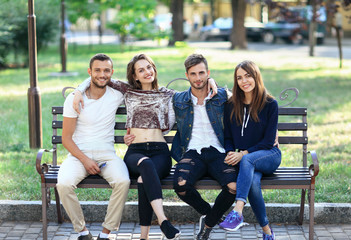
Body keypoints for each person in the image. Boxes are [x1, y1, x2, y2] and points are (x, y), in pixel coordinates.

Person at [73, 54, 217, 239]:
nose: (147, 72)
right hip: (136, 152)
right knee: (145, 165)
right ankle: (163, 220)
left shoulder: (168, 94)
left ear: (154, 69)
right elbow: (101, 77)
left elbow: (196, 87)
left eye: (149, 67)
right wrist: (78, 90)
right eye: (141, 70)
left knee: (143, 180)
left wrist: (211, 80)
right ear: (134, 76)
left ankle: (144, 236)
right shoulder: (128, 91)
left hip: (160, 153)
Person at [56, 53, 131, 240]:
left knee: (123, 181)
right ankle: (82, 232)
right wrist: (85, 160)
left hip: (107, 154)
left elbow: (142, 88)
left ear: (112, 73)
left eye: (106, 70)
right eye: (97, 70)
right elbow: (66, 139)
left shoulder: (117, 95)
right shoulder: (74, 99)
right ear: (90, 72)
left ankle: (106, 233)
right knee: (63, 184)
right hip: (78, 155)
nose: (102, 74)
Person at [171, 53, 239, 240]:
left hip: (219, 152)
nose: (198, 78)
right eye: (193, 74)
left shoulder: (222, 95)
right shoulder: (178, 100)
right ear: (187, 75)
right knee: (180, 185)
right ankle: (212, 214)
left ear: (208, 73)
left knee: (233, 187)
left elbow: (247, 105)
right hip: (193, 153)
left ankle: (208, 224)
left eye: (202, 73)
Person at [219, 60, 281, 240]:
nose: (244, 81)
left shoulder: (270, 104)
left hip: (269, 155)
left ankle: (237, 211)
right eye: (239, 77)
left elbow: (269, 141)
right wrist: (231, 152)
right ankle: (267, 230)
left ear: (256, 77)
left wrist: (243, 154)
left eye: (248, 76)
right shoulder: (231, 105)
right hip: (247, 160)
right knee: (252, 182)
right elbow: (228, 137)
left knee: (247, 160)